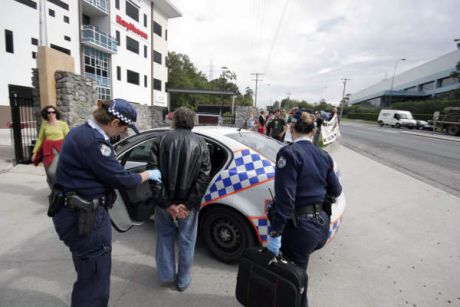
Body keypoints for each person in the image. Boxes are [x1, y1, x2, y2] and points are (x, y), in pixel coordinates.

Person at [51, 99, 161, 307]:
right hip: (85, 219)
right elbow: (123, 180)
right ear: (113, 123)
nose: (123, 133)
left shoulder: (79, 132)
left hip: (72, 212)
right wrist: (148, 174)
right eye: (124, 128)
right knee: (95, 280)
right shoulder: (95, 142)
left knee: (87, 275)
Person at [266, 111, 342, 307]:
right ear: (313, 131)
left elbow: (285, 200)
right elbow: (336, 189)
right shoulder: (323, 155)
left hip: (300, 230)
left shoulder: (289, 153)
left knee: (292, 281)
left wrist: (275, 233)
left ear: (291, 129)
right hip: (320, 226)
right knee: (297, 275)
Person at [149, 107, 211, 292]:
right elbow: (203, 177)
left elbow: (153, 174)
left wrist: (166, 204)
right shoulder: (201, 143)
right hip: (187, 205)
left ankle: (166, 274)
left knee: (164, 236)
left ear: (174, 120)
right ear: (193, 122)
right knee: (187, 240)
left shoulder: (160, 140)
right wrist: (189, 204)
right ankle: (183, 280)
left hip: (165, 202)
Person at [32, 105, 69, 188]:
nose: (51, 114)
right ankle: (53, 192)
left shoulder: (63, 124)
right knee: (48, 172)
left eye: (53, 112)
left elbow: (68, 138)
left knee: (52, 172)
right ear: (46, 114)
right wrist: (35, 152)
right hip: (47, 150)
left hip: (59, 150)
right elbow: (40, 139)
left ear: (56, 113)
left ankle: (58, 188)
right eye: (49, 112)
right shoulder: (44, 125)